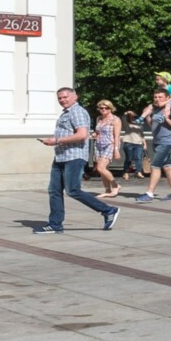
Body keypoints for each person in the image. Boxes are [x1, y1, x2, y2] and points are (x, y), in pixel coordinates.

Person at [36, 87, 118, 234]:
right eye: (60, 98)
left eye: (65, 97)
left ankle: (108, 210)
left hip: (74, 156)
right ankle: (55, 224)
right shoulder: (66, 113)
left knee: (73, 190)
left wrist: (56, 140)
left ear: (75, 97)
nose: (62, 100)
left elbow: (82, 135)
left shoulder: (77, 112)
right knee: (54, 191)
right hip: (61, 157)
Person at [134, 90, 171, 202]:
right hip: (158, 141)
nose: (157, 99)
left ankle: (149, 193)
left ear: (167, 98)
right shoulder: (156, 110)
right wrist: (148, 117)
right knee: (168, 166)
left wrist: (167, 119)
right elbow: (153, 126)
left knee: (155, 166)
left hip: (167, 142)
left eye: (160, 97)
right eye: (155, 97)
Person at [89, 99, 123, 197]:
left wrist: (116, 150)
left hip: (110, 144)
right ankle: (107, 190)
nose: (103, 109)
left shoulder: (115, 120)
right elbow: (98, 131)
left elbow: (117, 136)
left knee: (100, 168)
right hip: (99, 145)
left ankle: (115, 185)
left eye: (106, 108)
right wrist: (95, 134)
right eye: (101, 108)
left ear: (110, 108)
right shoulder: (99, 118)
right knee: (103, 169)